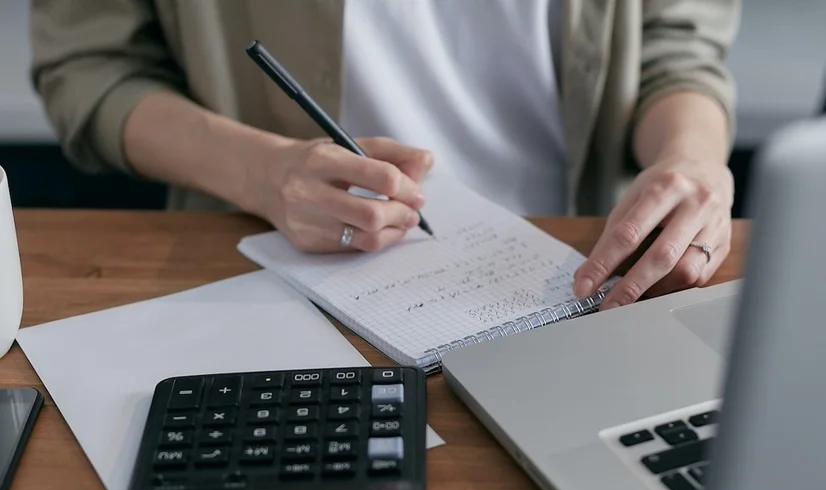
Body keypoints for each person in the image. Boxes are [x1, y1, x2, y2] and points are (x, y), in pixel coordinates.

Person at [29, 0, 739, 309]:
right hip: (267, 266)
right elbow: (89, 67)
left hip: (575, 262)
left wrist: (693, 159)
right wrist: (266, 170)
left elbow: (676, 52)